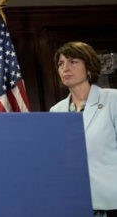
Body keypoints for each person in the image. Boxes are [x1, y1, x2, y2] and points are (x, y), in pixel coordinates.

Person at [50, 41, 117, 217]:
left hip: (110, 201)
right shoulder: (55, 111)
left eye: (73, 61)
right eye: (61, 63)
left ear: (89, 67)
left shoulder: (112, 100)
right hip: (73, 201)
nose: (65, 68)